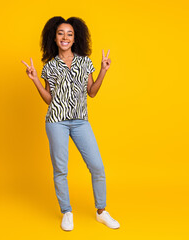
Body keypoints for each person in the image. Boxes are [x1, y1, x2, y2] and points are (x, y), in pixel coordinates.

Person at [21, 16, 120, 231]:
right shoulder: (50, 66)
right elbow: (49, 99)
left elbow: (92, 93)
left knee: (97, 166)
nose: (65, 37)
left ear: (75, 39)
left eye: (69, 34)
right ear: (54, 39)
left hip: (80, 121)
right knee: (60, 169)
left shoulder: (85, 62)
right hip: (56, 121)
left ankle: (102, 212)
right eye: (60, 33)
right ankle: (66, 211)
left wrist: (103, 70)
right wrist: (36, 80)